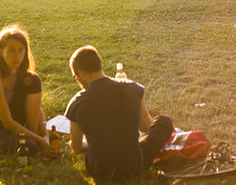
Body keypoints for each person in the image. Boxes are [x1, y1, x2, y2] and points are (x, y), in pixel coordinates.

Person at [65, 45, 174, 183]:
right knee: (164, 121)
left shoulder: (76, 103)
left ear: (80, 72)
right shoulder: (133, 88)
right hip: (133, 165)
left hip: (99, 170)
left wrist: (90, 142)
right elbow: (146, 127)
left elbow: (76, 147)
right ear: (99, 66)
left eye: (75, 77)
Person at [0, 24, 50, 155]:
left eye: (20, 50)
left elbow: (37, 108)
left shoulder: (18, 73)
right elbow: (6, 122)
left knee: (33, 79)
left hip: (12, 127)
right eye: (11, 50)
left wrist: (45, 136)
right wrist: (40, 141)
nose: (17, 56)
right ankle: (33, 138)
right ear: (1, 51)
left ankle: (34, 136)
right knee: (30, 146)